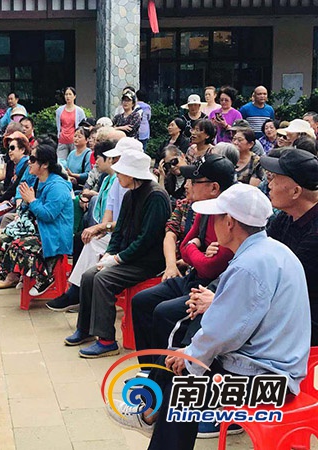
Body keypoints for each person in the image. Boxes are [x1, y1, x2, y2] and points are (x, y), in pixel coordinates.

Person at [110, 185, 310, 450]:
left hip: (270, 382)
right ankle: (148, 414)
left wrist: (192, 357)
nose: (212, 224)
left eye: (216, 217)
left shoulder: (249, 266)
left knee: (184, 382)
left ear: (229, 222)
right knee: (177, 360)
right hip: (272, 367)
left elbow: (223, 332)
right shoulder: (271, 251)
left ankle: (149, 416)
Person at [64, 150, 171, 358]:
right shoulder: (130, 194)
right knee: (89, 275)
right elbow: (120, 230)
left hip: (147, 261)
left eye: (121, 172)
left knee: (103, 279)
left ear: (132, 174)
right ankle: (85, 329)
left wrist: (118, 259)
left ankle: (107, 340)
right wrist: (110, 253)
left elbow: (146, 240)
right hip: (129, 256)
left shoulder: (156, 196)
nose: (118, 175)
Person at [131, 154, 236, 365]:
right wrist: (196, 249)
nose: (188, 185)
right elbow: (184, 247)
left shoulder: (229, 217)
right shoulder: (202, 208)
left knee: (164, 312)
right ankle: (148, 367)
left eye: (195, 181)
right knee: (141, 301)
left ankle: (164, 372)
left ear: (214, 188)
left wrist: (193, 248)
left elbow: (210, 267)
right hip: (192, 277)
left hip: (209, 287)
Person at [46, 138, 138, 312]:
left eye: (117, 158)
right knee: (89, 239)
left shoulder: (142, 188)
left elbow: (131, 223)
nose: (115, 163)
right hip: (117, 234)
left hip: (130, 242)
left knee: (91, 243)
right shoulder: (115, 181)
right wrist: (102, 229)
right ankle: (78, 292)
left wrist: (103, 229)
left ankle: (78, 294)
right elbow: (109, 210)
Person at [0, 143, 73, 294]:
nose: (29, 162)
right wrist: (25, 204)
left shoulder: (58, 186)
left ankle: (45, 275)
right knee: (4, 238)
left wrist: (32, 201)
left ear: (45, 164)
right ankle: (14, 276)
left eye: (33, 159)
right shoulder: (38, 181)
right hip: (39, 229)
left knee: (18, 246)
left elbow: (48, 215)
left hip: (53, 235)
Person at [261, 148, 318, 345]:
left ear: (296, 192)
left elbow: (278, 284)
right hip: (278, 308)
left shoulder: (314, 236)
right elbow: (259, 257)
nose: (269, 185)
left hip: (303, 323)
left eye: (276, 179)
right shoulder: (285, 217)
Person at [55, 87, 87, 161]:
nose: (68, 96)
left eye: (70, 94)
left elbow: (83, 125)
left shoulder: (79, 111)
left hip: (75, 141)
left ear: (74, 96)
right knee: (60, 161)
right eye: (66, 94)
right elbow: (58, 125)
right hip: (62, 140)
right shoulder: (59, 110)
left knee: (74, 161)